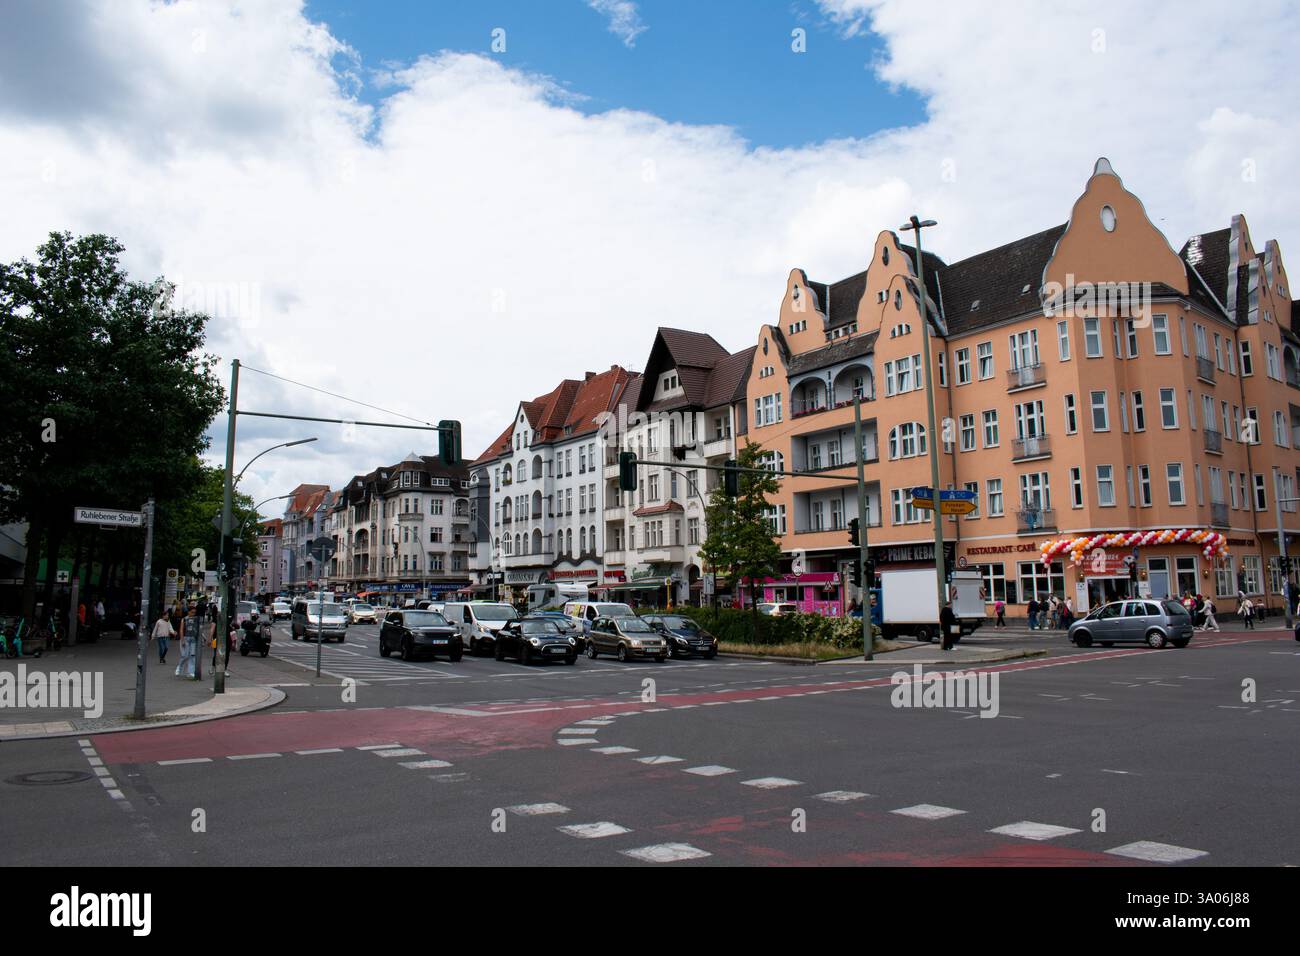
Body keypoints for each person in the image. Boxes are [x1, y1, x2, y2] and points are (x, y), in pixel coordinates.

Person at [176, 607, 198, 678]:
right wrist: (182, 640)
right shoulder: (184, 619)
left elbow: (197, 629)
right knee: (185, 655)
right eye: (192, 612)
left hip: (193, 639)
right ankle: (179, 667)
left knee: (192, 655)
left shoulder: (196, 619)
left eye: (194, 612)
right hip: (186, 638)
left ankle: (191, 672)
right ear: (188, 612)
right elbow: (181, 630)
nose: (193, 614)